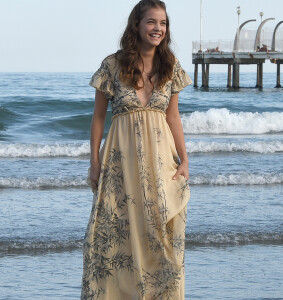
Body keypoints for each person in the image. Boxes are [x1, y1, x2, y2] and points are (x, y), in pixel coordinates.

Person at [81, 0, 192, 299]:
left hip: (160, 162)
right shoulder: (113, 65)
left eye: (163, 23)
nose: (158, 28)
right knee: (114, 233)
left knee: (159, 233)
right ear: (137, 25)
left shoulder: (170, 66)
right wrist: (94, 162)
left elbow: (173, 116)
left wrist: (184, 160)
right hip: (120, 162)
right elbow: (99, 117)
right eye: (152, 22)